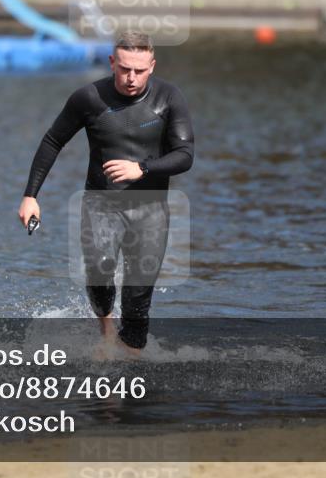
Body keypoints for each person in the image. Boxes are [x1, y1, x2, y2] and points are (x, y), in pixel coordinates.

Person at [18, 30, 194, 352]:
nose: (131, 78)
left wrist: (141, 168)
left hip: (151, 210)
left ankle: (130, 362)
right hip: (101, 205)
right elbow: (53, 141)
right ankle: (107, 332)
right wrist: (31, 195)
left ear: (152, 66)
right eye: (124, 68)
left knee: (139, 301)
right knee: (99, 273)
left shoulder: (169, 98)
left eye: (139, 71)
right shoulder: (88, 98)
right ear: (112, 62)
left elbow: (185, 156)